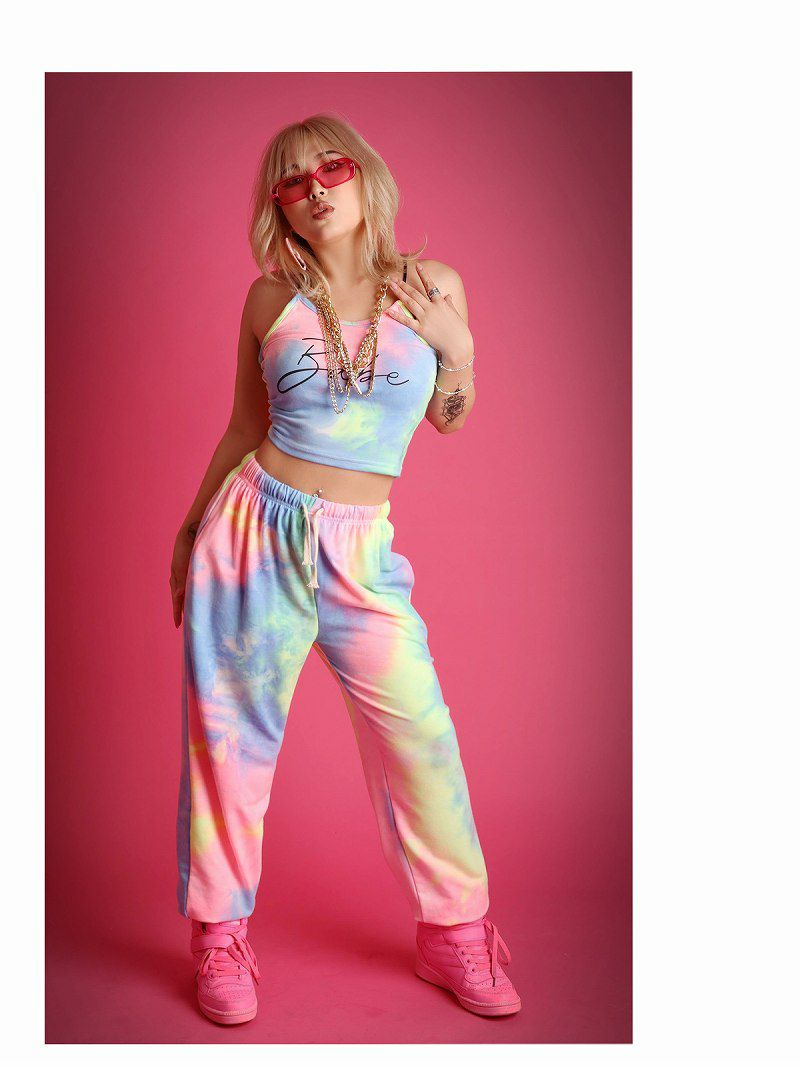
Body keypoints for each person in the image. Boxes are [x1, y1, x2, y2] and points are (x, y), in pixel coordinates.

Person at [169, 113, 521, 1025]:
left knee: (421, 736)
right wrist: (190, 528)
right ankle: (219, 936)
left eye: (330, 168)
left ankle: (454, 933)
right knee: (229, 744)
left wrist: (460, 349)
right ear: (279, 207)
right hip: (252, 533)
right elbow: (244, 427)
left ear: (364, 176)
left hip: (362, 546)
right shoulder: (268, 300)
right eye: (292, 181)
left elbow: (449, 417)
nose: (315, 189)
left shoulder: (432, 287)